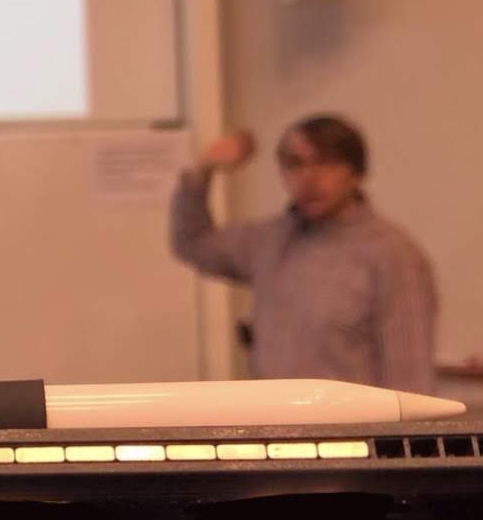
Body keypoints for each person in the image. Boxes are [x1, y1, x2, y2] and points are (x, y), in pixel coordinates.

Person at [169, 114, 438, 393]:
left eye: (326, 162)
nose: (309, 177)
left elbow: (411, 377)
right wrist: (204, 168)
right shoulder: (270, 240)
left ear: (356, 173)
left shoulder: (391, 253)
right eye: (295, 164)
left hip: (352, 432)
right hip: (275, 425)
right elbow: (193, 242)